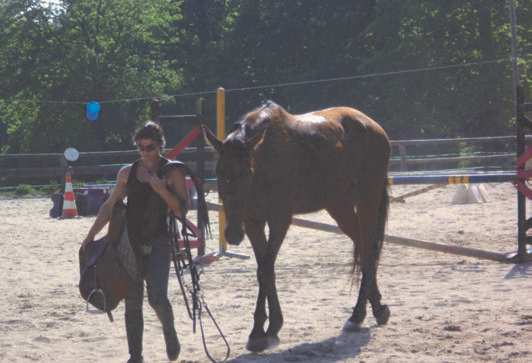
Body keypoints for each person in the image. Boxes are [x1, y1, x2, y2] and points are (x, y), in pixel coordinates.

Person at [82, 121, 188, 363]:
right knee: (132, 301)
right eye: (140, 147)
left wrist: (161, 190)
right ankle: (135, 356)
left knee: (157, 297)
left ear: (160, 146)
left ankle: (170, 332)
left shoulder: (172, 172)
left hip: (160, 242)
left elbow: (182, 211)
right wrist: (91, 235)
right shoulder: (127, 173)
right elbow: (109, 206)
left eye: (149, 147)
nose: (145, 152)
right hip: (130, 243)